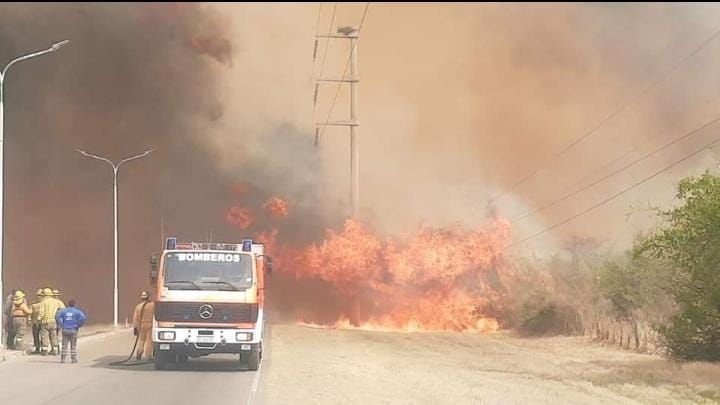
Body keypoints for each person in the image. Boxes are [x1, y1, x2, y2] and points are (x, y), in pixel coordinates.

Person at [55, 299, 86, 364]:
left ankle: (63, 359)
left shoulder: (63, 311)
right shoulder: (77, 311)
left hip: (65, 329)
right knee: (73, 345)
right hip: (73, 330)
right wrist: (78, 325)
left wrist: (61, 324)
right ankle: (73, 359)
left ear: (68, 304)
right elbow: (83, 318)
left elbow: (57, 317)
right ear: (74, 304)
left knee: (64, 345)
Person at [38, 287, 63, 356]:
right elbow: (63, 309)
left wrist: (38, 319)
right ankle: (55, 350)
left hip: (45, 322)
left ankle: (45, 350)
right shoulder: (57, 302)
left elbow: (41, 313)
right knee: (54, 336)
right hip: (53, 322)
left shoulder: (43, 302)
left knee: (44, 336)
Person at [133, 291, 154, 360]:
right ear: (148, 297)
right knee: (149, 341)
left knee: (141, 340)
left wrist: (135, 328)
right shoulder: (152, 305)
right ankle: (148, 356)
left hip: (141, 326)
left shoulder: (138, 307)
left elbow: (135, 318)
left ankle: (139, 354)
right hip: (150, 325)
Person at [30, 289, 44, 354]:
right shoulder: (34, 304)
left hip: (43, 322)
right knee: (35, 335)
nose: (39, 297)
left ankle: (44, 348)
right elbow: (30, 313)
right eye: (38, 295)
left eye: (41, 295)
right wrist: (29, 320)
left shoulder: (46, 303)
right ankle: (37, 348)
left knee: (43, 336)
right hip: (35, 322)